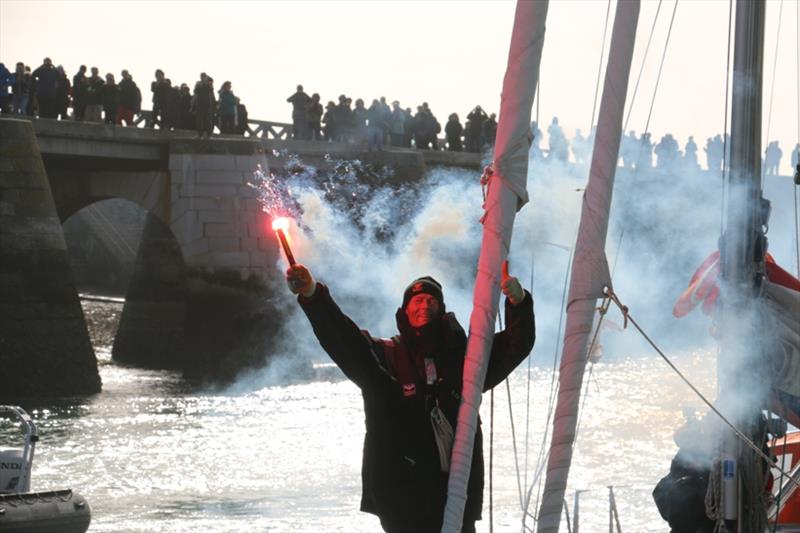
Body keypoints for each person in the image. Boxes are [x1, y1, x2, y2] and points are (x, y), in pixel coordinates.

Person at [285, 262, 535, 532]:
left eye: (431, 300)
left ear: (441, 310)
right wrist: (313, 295)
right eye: (416, 301)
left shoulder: (464, 360)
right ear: (405, 311)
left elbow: (514, 345)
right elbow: (344, 339)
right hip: (401, 498)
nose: (424, 305)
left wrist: (518, 302)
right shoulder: (386, 356)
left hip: (457, 492)